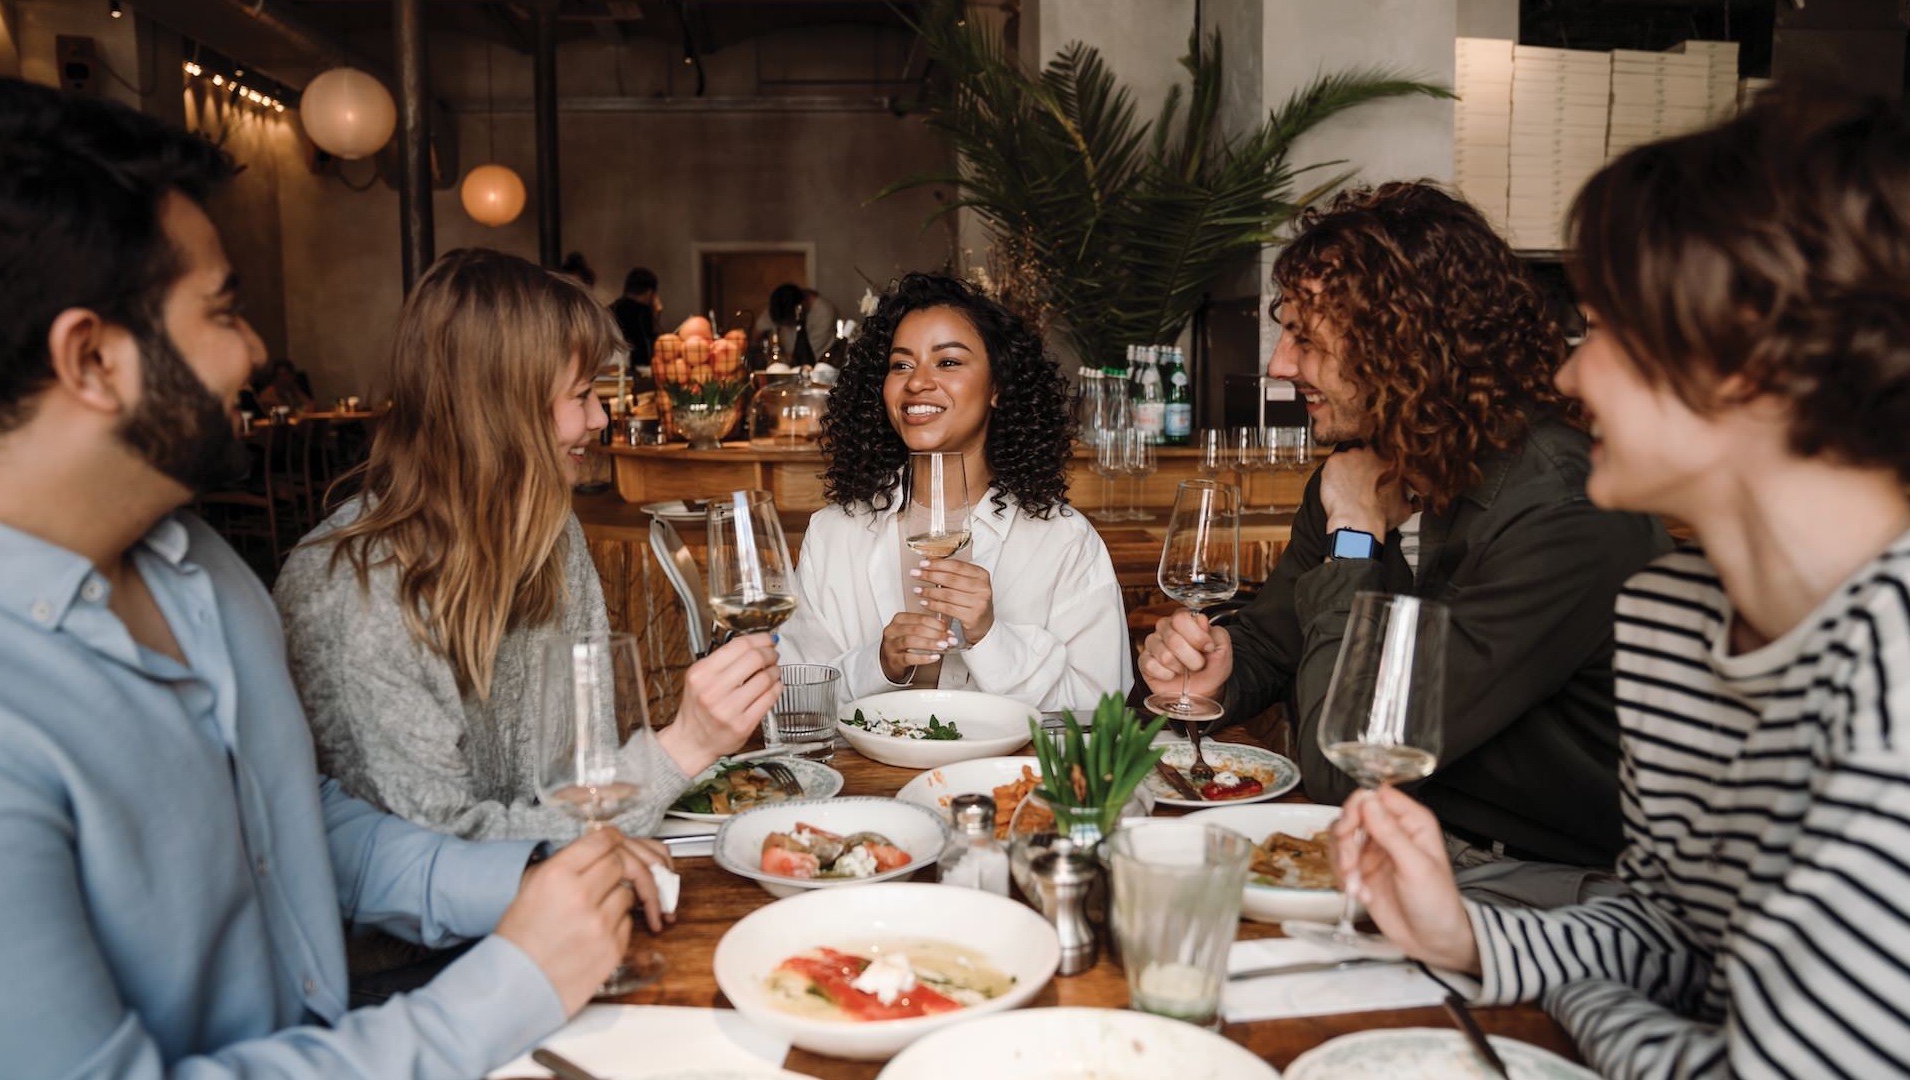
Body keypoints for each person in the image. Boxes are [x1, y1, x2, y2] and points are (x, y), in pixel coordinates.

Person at [0, 77, 652, 1076]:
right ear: (91, 358)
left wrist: (529, 873)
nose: (256, 353)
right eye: (223, 311)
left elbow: (300, 824)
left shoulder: (204, 575)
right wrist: (510, 981)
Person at [1335, 87, 1910, 1080]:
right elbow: (1674, 939)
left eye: (1600, 329)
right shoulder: (1670, 617)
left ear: (1741, 353)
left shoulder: (1894, 679)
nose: (1568, 378)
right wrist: (1468, 937)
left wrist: (1582, 998)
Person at [1139, 182, 1669, 894]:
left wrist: (1356, 537)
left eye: (1306, 339)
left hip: (1541, 881)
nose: (1280, 367)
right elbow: (1275, 639)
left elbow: (1353, 762)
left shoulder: (1562, 512)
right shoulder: (1364, 462)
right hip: (1398, 840)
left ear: (1404, 344)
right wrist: (1218, 669)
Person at [274, 247, 781, 842]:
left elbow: (584, 778)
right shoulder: (350, 594)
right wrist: (684, 745)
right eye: (583, 394)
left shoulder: (551, 534)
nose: (599, 420)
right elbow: (437, 863)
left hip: (569, 895)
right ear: (502, 409)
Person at [779, 272, 1130, 711]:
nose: (917, 382)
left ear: (998, 387)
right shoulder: (834, 533)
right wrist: (879, 664)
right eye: (901, 364)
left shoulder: (1063, 539)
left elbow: (1102, 706)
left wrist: (990, 636)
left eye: (947, 362)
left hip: (1007, 779)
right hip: (864, 780)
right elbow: (793, 699)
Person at [750, 281, 838, 367]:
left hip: (815, 368)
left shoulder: (824, 313)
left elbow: (804, 358)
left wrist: (778, 358)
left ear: (800, 308)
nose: (785, 326)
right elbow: (756, 334)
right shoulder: (781, 303)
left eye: (787, 323)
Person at [609, 266, 661, 373]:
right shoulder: (643, 311)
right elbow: (650, 347)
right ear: (650, 293)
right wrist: (657, 315)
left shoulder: (611, 309)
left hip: (612, 371)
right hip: (637, 372)